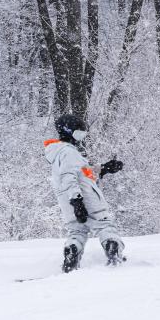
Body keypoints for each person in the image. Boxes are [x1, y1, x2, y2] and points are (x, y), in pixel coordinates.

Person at [44, 114, 126, 273]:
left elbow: (83, 173)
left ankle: (72, 250)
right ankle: (112, 247)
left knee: (77, 230)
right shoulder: (68, 152)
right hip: (84, 197)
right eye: (78, 132)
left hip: (68, 200)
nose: (81, 136)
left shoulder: (60, 153)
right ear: (68, 131)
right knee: (105, 225)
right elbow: (70, 177)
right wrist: (77, 201)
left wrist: (105, 168)